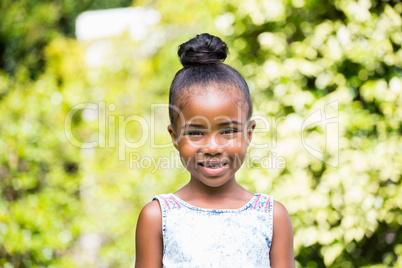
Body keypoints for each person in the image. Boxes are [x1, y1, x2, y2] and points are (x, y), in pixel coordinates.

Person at [135, 33, 294, 267]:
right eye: (196, 132)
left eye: (228, 131)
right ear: (175, 136)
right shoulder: (157, 217)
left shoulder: (272, 217)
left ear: (249, 133)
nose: (212, 147)